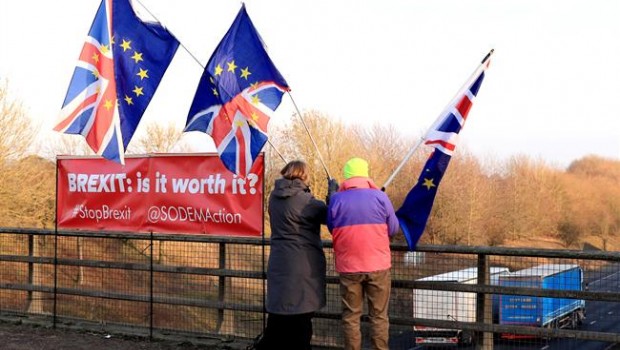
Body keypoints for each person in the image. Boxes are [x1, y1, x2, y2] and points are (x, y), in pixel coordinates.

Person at [254, 160, 337, 350]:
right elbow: (331, 217)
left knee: (277, 320)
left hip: (279, 263)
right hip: (303, 268)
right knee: (301, 322)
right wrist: (332, 195)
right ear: (304, 176)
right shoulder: (307, 202)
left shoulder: (273, 198)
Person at [326, 157, 399, 350]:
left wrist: (331, 195)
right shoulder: (380, 197)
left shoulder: (336, 199)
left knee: (351, 317)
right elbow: (393, 228)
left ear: (346, 176)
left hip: (349, 267)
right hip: (378, 265)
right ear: (366, 174)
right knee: (379, 316)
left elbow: (331, 227)